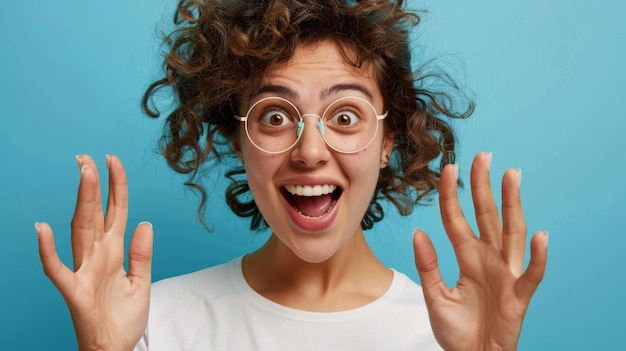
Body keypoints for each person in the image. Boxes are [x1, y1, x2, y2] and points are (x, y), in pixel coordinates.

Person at [35, 0, 548, 350]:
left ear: (390, 138)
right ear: (237, 138)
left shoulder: (451, 332)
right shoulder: (154, 324)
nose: (309, 152)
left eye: (345, 116)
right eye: (275, 116)